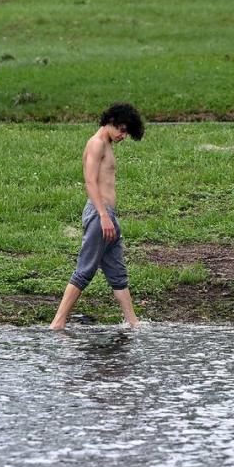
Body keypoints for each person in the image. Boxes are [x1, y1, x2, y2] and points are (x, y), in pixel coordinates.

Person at [49, 103, 145, 330]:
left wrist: (108, 216)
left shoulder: (107, 144)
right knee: (86, 269)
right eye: (121, 130)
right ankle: (58, 322)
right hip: (99, 214)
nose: (123, 135)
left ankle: (133, 322)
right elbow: (90, 181)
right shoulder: (96, 143)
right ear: (110, 121)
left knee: (117, 271)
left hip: (107, 215)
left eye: (126, 132)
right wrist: (102, 215)